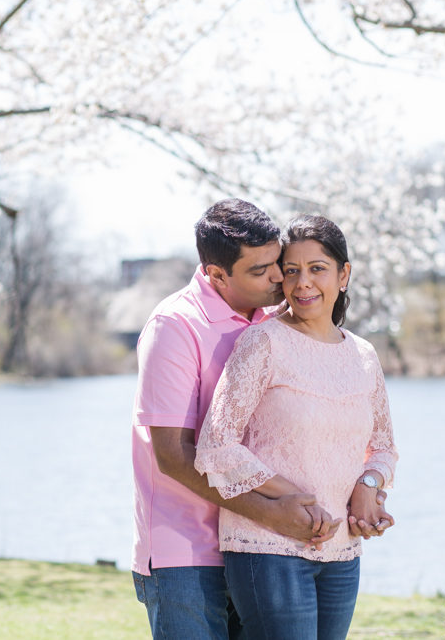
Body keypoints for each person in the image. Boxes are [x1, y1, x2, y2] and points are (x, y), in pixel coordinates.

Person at [130, 199, 335, 639]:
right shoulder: (175, 326)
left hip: (257, 547)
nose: (280, 277)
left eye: (276, 263)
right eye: (261, 271)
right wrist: (272, 512)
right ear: (216, 274)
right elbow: (172, 455)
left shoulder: (277, 320)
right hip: (187, 552)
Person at [195, 214, 398, 640]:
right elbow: (216, 444)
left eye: (317, 269)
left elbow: (382, 445)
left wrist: (370, 486)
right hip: (268, 548)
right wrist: (291, 494)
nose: (303, 283)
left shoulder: (363, 355)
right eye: (292, 271)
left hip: (342, 551)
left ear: (344, 275)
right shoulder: (263, 342)